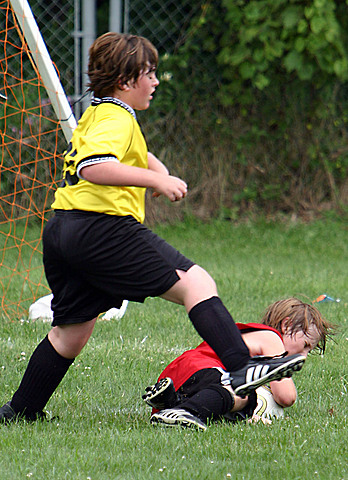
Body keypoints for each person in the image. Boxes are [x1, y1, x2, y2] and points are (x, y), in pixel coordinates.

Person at [0, 33, 305, 424]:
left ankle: (21, 409)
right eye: (150, 73)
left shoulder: (100, 112)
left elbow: (124, 150)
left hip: (63, 229)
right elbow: (92, 166)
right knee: (196, 283)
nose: (156, 81)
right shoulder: (117, 116)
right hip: (102, 229)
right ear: (127, 80)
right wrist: (155, 182)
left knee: (69, 334)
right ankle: (242, 367)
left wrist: (155, 167)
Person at [143, 298, 334, 431]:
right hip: (204, 368)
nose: (304, 355)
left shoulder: (252, 336)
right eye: (305, 345)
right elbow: (286, 397)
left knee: (232, 400)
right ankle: (185, 411)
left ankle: (170, 401)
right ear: (286, 325)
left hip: (180, 374)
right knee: (244, 395)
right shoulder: (271, 338)